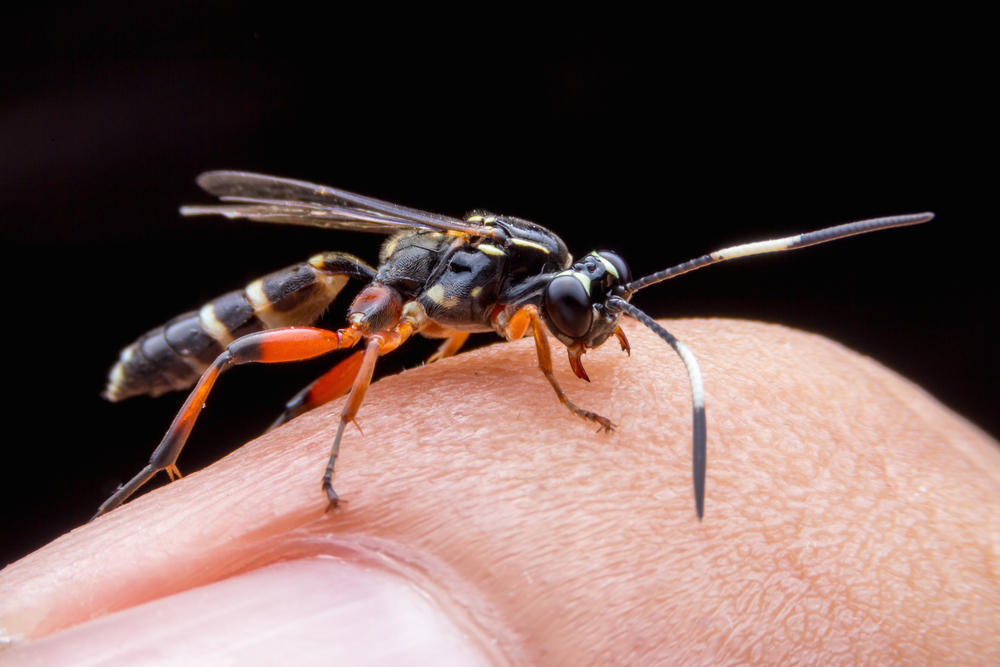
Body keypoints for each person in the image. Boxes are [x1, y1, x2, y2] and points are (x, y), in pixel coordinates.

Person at [2, 320, 998, 665]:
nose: (585, 332)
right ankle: (160, 469)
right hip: (346, 304)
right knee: (314, 346)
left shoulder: (522, 306)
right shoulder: (459, 292)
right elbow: (391, 331)